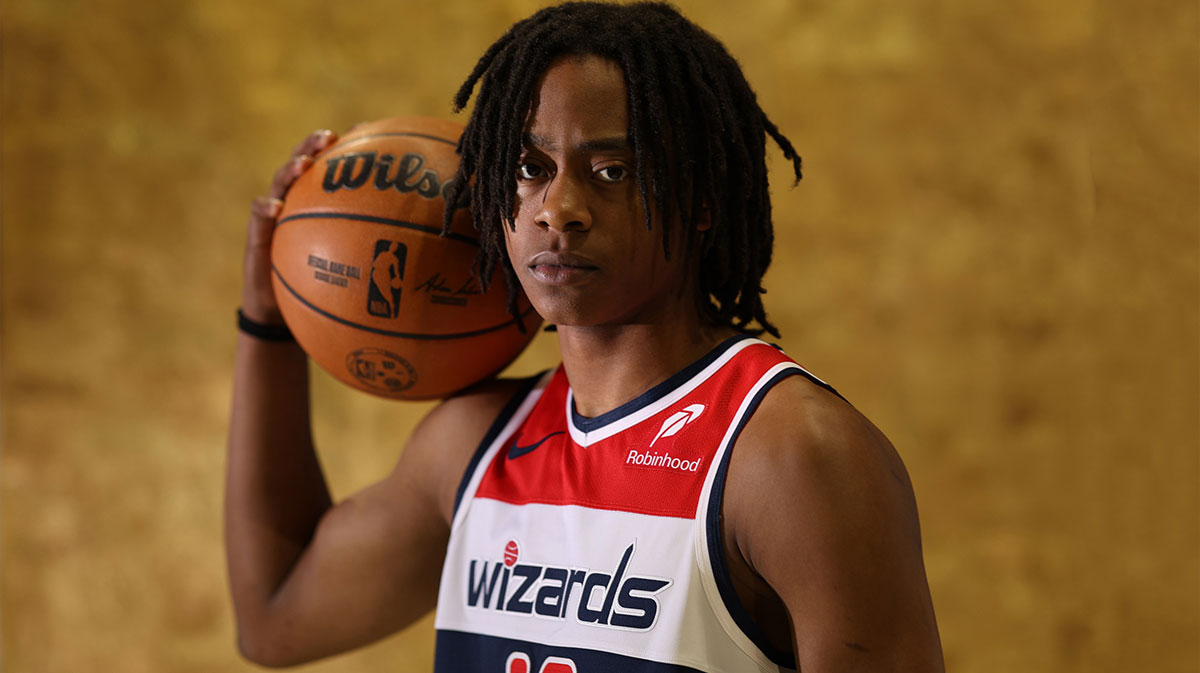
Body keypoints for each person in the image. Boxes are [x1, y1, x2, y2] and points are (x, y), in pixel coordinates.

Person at [227, 2, 945, 671]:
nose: (559, 208)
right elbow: (274, 616)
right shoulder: (472, 446)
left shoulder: (791, 458)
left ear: (697, 202)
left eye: (611, 171)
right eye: (530, 168)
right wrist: (269, 314)